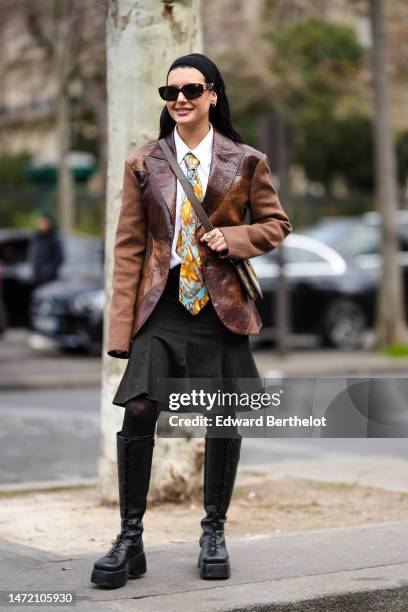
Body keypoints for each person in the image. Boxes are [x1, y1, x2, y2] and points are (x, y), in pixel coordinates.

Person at [91, 53, 292, 589]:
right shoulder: (144, 163)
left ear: (212, 95)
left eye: (190, 89)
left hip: (220, 308)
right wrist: (119, 332)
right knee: (138, 408)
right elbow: (129, 250)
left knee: (223, 419)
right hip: (163, 307)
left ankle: (214, 532)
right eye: (170, 91)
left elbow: (277, 223)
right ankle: (129, 539)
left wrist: (237, 238)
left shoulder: (248, 160)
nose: (179, 98)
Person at [29, 212, 64, 287]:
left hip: (49, 278)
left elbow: (60, 257)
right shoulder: (37, 237)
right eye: (39, 222)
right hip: (37, 277)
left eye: (42, 222)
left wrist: (49, 270)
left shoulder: (54, 238)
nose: (40, 225)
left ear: (49, 223)